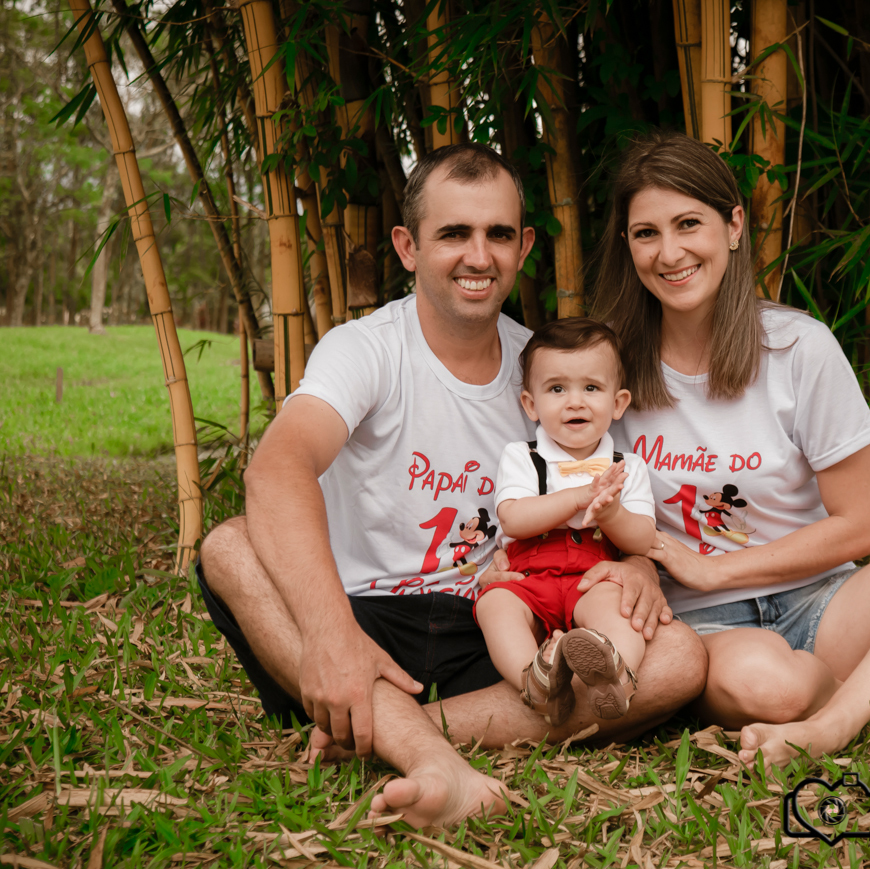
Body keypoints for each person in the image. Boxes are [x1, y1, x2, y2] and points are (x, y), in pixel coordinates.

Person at [196, 143, 707, 829]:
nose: (479, 255)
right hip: (365, 620)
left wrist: (639, 561)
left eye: (497, 233)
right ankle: (428, 754)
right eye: (454, 234)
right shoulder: (366, 348)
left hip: (493, 627)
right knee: (228, 545)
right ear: (407, 247)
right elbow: (278, 468)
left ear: (524, 245)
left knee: (678, 658)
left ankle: (390, 732)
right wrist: (329, 634)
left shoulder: (547, 373)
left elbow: (606, 488)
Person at [591, 131, 870, 770]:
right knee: (773, 690)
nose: (670, 252)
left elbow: (861, 526)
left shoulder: (798, 348)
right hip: (706, 626)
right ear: (627, 245)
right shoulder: (607, 369)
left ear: (734, 225)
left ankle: (845, 716)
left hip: (824, 602)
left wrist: (718, 567)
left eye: (689, 224)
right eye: (646, 233)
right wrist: (640, 569)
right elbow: (588, 504)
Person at [476, 318, 657, 726]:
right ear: (531, 404)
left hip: (592, 577)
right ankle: (537, 680)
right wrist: (578, 497)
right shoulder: (523, 457)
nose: (575, 402)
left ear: (618, 403)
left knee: (618, 608)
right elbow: (514, 518)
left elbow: (643, 538)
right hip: (527, 578)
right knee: (495, 605)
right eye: (557, 389)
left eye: (591, 388)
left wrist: (611, 512)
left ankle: (615, 673)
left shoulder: (626, 466)